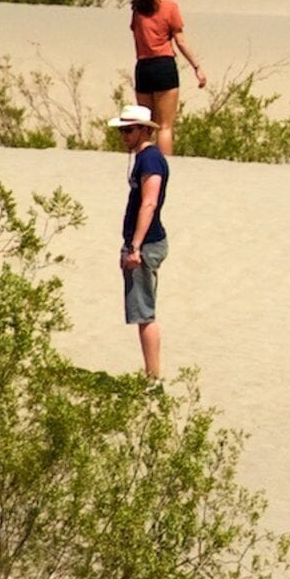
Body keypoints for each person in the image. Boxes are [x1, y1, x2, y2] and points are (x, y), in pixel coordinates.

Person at [111, 102, 171, 380]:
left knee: (145, 313)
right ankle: (151, 376)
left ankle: (153, 379)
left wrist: (135, 247)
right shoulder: (143, 158)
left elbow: (149, 203)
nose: (124, 136)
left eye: (129, 130)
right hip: (141, 243)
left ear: (144, 130)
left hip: (145, 245)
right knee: (141, 312)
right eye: (122, 130)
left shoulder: (150, 160)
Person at [128, 0, 209, 151]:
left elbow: (136, 34)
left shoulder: (138, 9)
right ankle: (164, 168)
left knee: (146, 124)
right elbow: (180, 41)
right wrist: (197, 67)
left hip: (143, 68)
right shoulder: (170, 8)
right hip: (163, 66)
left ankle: (145, 164)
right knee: (165, 126)